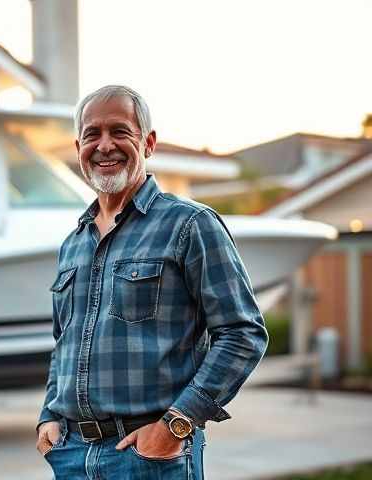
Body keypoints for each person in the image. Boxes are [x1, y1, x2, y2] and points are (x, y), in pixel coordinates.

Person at [36, 85, 268, 479]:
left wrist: (176, 426)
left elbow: (242, 333)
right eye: (92, 134)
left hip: (150, 459)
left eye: (119, 132)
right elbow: (65, 343)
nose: (104, 145)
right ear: (79, 147)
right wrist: (48, 415)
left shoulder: (190, 225)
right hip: (72, 457)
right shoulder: (72, 244)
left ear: (148, 143)